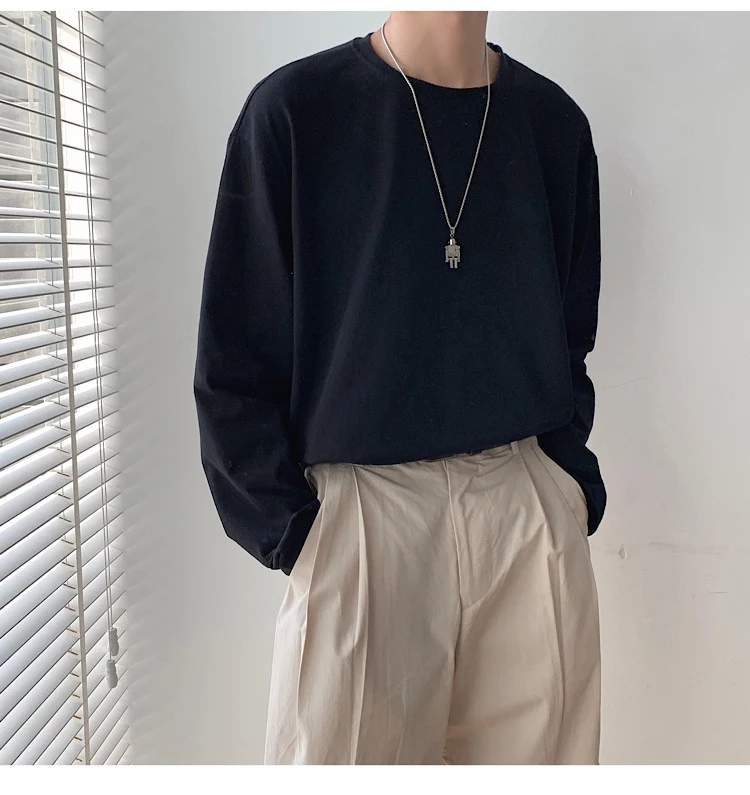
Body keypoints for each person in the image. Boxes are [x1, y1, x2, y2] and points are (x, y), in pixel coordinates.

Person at [193, 10, 606, 765]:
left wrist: (564, 483)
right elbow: (235, 356)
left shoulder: (554, 124)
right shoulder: (295, 111)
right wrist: (296, 532)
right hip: (362, 518)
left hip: (525, 507)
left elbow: (571, 334)